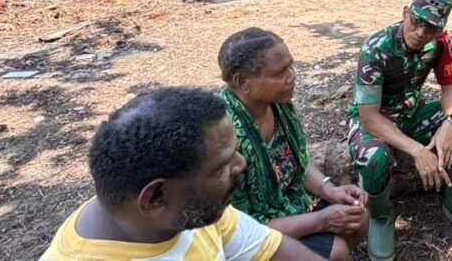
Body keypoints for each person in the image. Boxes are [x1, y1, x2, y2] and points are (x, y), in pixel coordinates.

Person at [39, 87, 324, 261]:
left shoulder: (194, 209)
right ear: (156, 197)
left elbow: (270, 249)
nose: (241, 165)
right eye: (222, 167)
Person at [349, 0, 452, 261]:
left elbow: (450, 87)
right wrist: (418, 150)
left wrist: (449, 121)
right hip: (377, 119)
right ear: (405, 13)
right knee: (374, 157)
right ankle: (380, 216)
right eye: (416, 22)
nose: (420, 33)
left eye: (431, 28)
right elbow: (369, 117)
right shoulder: (376, 49)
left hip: (411, 113)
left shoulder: (440, 42)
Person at [217, 28, 369, 261]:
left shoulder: (277, 105)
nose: (292, 76)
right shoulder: (225, 139)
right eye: (280, 73)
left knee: (358, 220)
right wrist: (322, 220)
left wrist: (330, 190)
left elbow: (296, 159)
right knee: (336, 252)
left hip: (290, 203)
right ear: (242, 81)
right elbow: (240, 230)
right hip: (252, 230)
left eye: (291, 66)